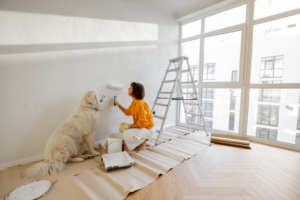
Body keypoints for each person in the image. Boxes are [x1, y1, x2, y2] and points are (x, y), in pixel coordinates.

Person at [115, 82, 155, 151]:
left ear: (136, 90)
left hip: (148, 129)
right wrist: (118, 105)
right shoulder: (134, 102)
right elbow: (127, 112)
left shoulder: (140, 104)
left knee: (126, 134)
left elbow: (144, 123)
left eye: (131, 87)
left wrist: (128, 126)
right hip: (143, 127)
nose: (128, 88)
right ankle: (140, 141)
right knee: (121, 129)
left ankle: (143, 142)